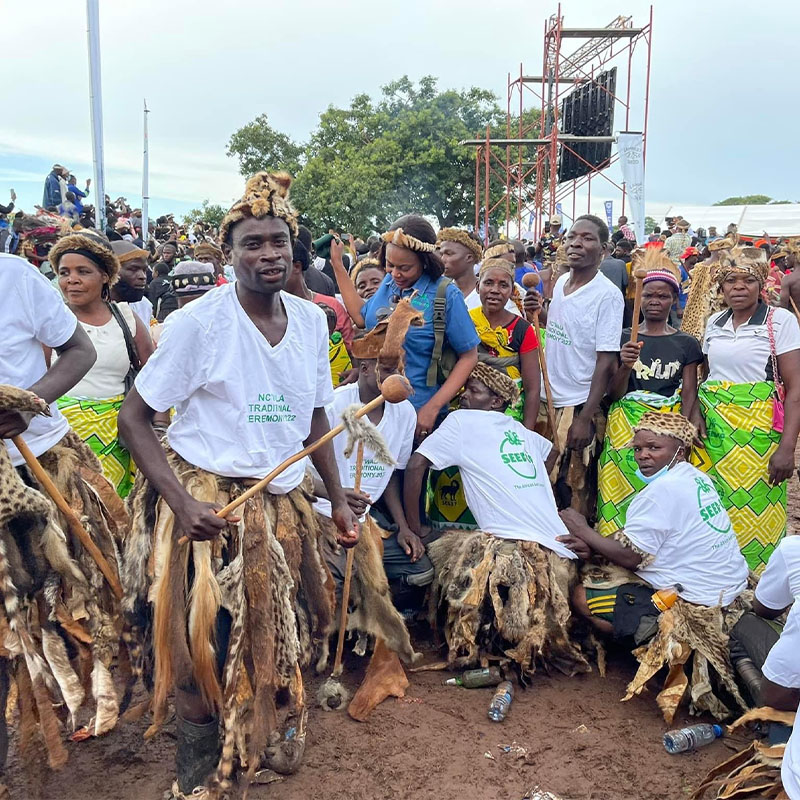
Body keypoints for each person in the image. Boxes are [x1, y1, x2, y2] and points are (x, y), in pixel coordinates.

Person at [118, 171, 359, 796]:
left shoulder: (310, 321)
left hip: (280, 510)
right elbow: (135, 418)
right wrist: (180, 501)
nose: (268, 253)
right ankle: (196, 780)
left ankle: (248, 748)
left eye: (277, 240)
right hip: (208, 506)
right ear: (230, 254)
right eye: (252, 243)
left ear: (292, 245)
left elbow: (316, 419)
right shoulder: (200, 323)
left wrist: (334, 498)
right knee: (199, 652)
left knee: (271, 646)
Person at [0, 252, 127, 776]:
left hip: (39, 466)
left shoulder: (14, 276)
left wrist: (28, 403)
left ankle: (83, 694)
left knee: (74, 600)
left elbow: (78, 351)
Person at [561, 411, 749, 723]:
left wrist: (582, 530)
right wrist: (594, 544)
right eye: (637, 448)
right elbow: (647, 542)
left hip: (696, 603)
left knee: (582, 595)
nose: (642, 455)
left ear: (680, 450)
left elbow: (633, 556)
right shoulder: (697, 479)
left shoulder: (663, 491)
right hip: (726, 591)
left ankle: (660, 652)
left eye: (653, 448)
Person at [404, 363, 588, 676]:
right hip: (558, 543)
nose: (463, 397)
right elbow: (550, 455)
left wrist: (414, 528)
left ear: (495, 402)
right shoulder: (518, 430)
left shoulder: (462, 421)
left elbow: (414, 465)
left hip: (516, 540)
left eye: (473, 391)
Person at [312, 301, 433, 621]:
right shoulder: (335, 405)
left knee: (418, 569)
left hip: (368, 524)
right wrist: (335, 495)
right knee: (334, 585)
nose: (400, 378)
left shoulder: (405, 412)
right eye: (390, 371)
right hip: (323, 516)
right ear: (365, 369)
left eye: (400, 369)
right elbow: (299, 471)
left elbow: (391, 474)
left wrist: (404, 526)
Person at [692, 246, 800, 573]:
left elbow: (795, 390)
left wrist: (787, 449)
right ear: (720, 287)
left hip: (759, 435)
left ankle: (759, 579)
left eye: (748, 281)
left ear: (761, 285)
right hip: (716, 434)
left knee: (759, 508)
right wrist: (697, 413)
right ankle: (717, 574)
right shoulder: (714, 322)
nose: (739, 287)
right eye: (731, 281)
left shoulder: (778, 321)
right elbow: (707, 377)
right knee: (715, 505)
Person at [332, 214, 479, 440]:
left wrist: (433, 407)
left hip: (417, 412)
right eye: (390, 265)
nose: (395, 273)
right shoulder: (390, 283)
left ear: (425, 261)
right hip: (375, 409)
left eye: (405, 267)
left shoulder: (445, 295)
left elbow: (469, 356)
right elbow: (363, 318)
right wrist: (337, 265)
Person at [597, 247, 703, 535]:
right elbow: (614, 394)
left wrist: (684, 433)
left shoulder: (687, 344)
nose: (654, 301)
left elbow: (689, 394)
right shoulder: (624, 338)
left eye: (663, 296)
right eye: (648, 295)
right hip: (625, 428)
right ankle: (617, 547)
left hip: (667, 428)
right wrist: (625, 365)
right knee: (620, 489)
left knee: (664, 494)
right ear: (638, 297)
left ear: (673, 300)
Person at [525, 215, 624, 521]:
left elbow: (606, 361)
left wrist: (583, 418)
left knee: (571, 490)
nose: (576, 244)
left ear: (604, 249)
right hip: (547, 401)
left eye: (587, 238)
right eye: (571, 237)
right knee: (538, 483)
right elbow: (559, 334)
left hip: (578, 404)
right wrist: (538, 313)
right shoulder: (562, 284)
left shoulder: (607, 295)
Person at [48, 232, 154, 497]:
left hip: (117, 438)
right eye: (64, 272)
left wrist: (156, 426)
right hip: (63, 441)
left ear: (105, 275)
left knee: (117, 514)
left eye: (83, 271)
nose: (71, 279)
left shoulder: (126, 318)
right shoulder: (49, 323)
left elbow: (154, 374)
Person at [469, 257, 540, 428]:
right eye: (488, 283)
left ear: (512, 291)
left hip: (510, 410)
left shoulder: (522, 329)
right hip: (468, 407)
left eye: (503, 285)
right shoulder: (466, 321)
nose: (495, 290)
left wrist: (526, 434)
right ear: (478, 287)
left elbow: (533, 388)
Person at [284, 239, 354, 348]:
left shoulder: (332, 306)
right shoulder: (268, 312)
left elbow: (351, 353)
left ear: (297, 267)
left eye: (280, 264)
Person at [681, 232, 737, 341]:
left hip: (695, 314)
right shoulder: (721, 269)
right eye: (729, 250)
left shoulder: (698, 267)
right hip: (711, 314)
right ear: (721, 251)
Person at [109, 240, 154, 326]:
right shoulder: (90, 308)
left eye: (144, 270)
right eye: (133, 269)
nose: (143, 276)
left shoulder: (144, 306)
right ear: (110, 271)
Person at [436, 227, 483, 297]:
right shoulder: (439, 291)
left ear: (469, 258)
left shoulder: (487, 292)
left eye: (449, 254)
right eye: (441, 254)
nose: (442, 259)